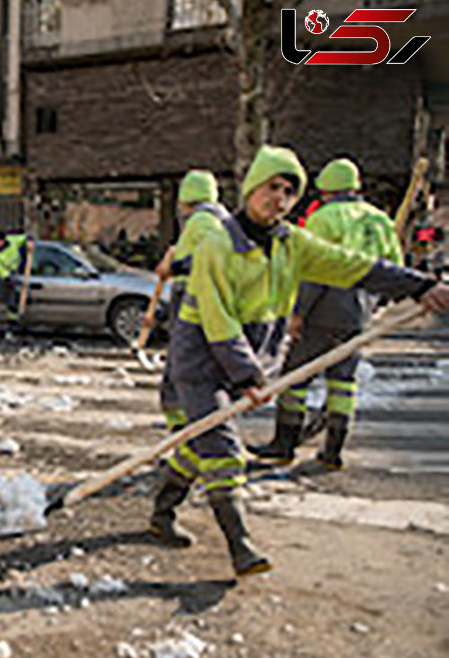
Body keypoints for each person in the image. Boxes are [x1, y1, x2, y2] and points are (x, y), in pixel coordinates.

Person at [147, 145, 449, 577]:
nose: (281, 198)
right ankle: (241, 547)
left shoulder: (293, 243)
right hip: (201, 358)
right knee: (224, 453)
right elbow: (218, 321)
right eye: (273, 187)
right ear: (252, 188)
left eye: (290, 191)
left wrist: (418, 285)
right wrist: (248, 374)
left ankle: (162, 511)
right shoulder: (218, 241)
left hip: (247, 359)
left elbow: (352, 265)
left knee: (201, 444)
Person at [250, 158, 402, 469]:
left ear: (325, 189)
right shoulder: (379, 220)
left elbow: (313, 273)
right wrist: (377, 302)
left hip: (324, 310)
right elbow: (394, 269)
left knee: (296, 376)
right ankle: (333, 450)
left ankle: (285, 443)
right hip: (359, 314)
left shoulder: (323, 218)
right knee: (343, 382)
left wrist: (297, 313)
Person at [148, 169, 222, 432]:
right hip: (203, 304)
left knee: (178, 376)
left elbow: (206, 259)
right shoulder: (218, 220)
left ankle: (182, 435)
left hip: (192, 305)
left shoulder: (202, 222)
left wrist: (175, 268)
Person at [0, 230, 28, 321]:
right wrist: (7, 277)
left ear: (3, 240)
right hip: (0, 276)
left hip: (14, 272)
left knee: (12, 300)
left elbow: (24, 238)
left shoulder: (13, 241)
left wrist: (30, 240)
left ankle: (12, 324)